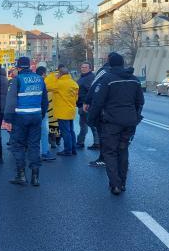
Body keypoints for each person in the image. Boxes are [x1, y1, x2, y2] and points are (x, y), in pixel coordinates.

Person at [87, 53, 144, 195]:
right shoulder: (135, 80)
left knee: (110, 152)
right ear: (123, 63)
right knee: (123, 150)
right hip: (129, 122)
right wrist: (135, 117)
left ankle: (115, 185)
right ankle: (122, 183)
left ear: (110, 64)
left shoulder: (107, 79)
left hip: (111, 122)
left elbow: (98, 102)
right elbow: (140, 102)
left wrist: (91, 119)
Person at [3, 57, 48, 187]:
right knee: (34, 145)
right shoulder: (40, 79)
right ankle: (35, 177)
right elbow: (44, 100)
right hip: (36, 116)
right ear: (29, 66)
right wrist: (41, 113)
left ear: (18, 67)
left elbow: (10, 101)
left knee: (18, 145)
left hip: (20, 117)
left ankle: (21, 175)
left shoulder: (17, 80)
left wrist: (7, 119)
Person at [44, 64, 79, 156]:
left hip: (62, 111)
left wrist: (55, 77)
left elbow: (46, 86)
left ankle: (67, 150)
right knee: (71, 131)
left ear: (60, 74)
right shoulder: (73, 83)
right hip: (71, 110)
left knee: (65, 132)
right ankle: (73, 149)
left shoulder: (59, 84)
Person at [35, 67, 57, 161]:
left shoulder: (32, 81)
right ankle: (44, 152)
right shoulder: (43, 82)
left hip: (31, 111)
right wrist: (44, 112)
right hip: (42, 111)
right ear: (44, 74)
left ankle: (34, 152)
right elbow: (44, 99)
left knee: (33, 132)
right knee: (44, 132)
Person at [76, 62, 98, 149]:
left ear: (90, 69)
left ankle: (82, 142)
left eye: (85, 67)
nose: (83, 69)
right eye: (82, 67)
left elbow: (91, 92)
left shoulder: (89, 78)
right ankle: (82, 142)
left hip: (86, 105)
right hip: (83, 104)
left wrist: (86, 103)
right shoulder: (84, 77)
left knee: (89, 124)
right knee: (85, 124)